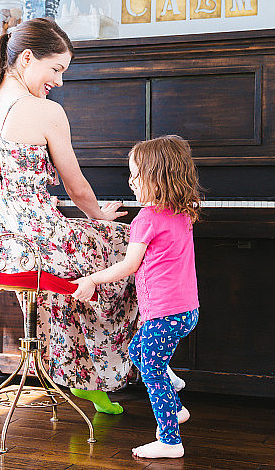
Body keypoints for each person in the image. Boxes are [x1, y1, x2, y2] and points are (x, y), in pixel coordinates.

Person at [0, 18, 136, 414]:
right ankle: (102, 373)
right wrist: (100, 216)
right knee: (126, 246)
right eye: (57, 69)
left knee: (82, 263)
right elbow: (77, 187)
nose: (60, 82)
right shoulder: (43, 111)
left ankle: (76, 372)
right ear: (28, 58)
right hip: (35, 245)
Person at [72, 135, 201, 459]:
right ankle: (176, 404)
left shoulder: (145, 219)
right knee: (138, 350)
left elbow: (129, 265)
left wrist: (90, 279)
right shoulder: (182, 211)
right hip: (187, 312)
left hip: (164, 314)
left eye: (135, 175)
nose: (130, 182)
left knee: (152, 370)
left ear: (156, 177)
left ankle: (170, 441)